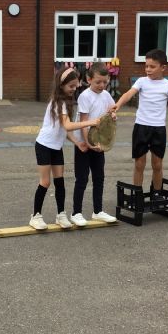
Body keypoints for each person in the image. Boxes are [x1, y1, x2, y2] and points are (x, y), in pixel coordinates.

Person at [29, 67, 102, 230]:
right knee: (45, 182)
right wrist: (91, 122)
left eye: (76, 86)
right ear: (61, 85)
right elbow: (68, 125)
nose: (74, 89)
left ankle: (61, 214)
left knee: (60, 181)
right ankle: (35, 216)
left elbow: (64, 129)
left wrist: (77, 142)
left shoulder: (66, 102)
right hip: (43, 146)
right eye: (71, 86)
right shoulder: (58, 102)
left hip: (56, 147)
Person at [114, 49, 168, 199]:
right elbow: (128, 94)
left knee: (157, 164)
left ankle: (156, 193)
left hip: (158, 129)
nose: (148, 69)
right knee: (139, 164)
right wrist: (117, 105)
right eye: (146, 66)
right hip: (141, 127)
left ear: (163, 67)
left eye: (152, 66)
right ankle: (137, 194)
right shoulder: (142, 81)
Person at [68, 62, 117, 227]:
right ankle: (76, 213)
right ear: (89, 80)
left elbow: (112, 110)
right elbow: (84, 122)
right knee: (82, 178)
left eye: (105, 82)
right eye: (98, 82)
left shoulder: (106, 95)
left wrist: (113, 114)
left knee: (99, 177)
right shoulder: (85, 96)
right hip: (84, 143)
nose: (102, 85)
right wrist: (87, 144)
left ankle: (98, 211)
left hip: (98, 143)